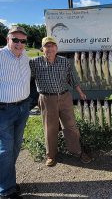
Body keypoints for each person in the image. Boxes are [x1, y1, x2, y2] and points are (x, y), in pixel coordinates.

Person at [29, 36, 92, 167]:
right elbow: (26, 80)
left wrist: (80, 92)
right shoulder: (34, 63)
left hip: (65, 97)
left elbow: (72, 79)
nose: (50, 48)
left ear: (56, 48)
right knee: (50, 128)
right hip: (47, 99)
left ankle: (77, 152)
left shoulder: (64, 62)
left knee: (71, 126)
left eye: (52, 46)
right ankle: (51, 155)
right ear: (42, 49)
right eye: (47, 46)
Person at [0, 26, 30, 199]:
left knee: (16, 145)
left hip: (23, 108)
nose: (19, 44)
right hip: (4, 110)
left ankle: (6, 179)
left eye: (23, 41)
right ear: (7, 40)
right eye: (15, 40)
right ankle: (6, 190)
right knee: (6, 149)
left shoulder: (25, 56)